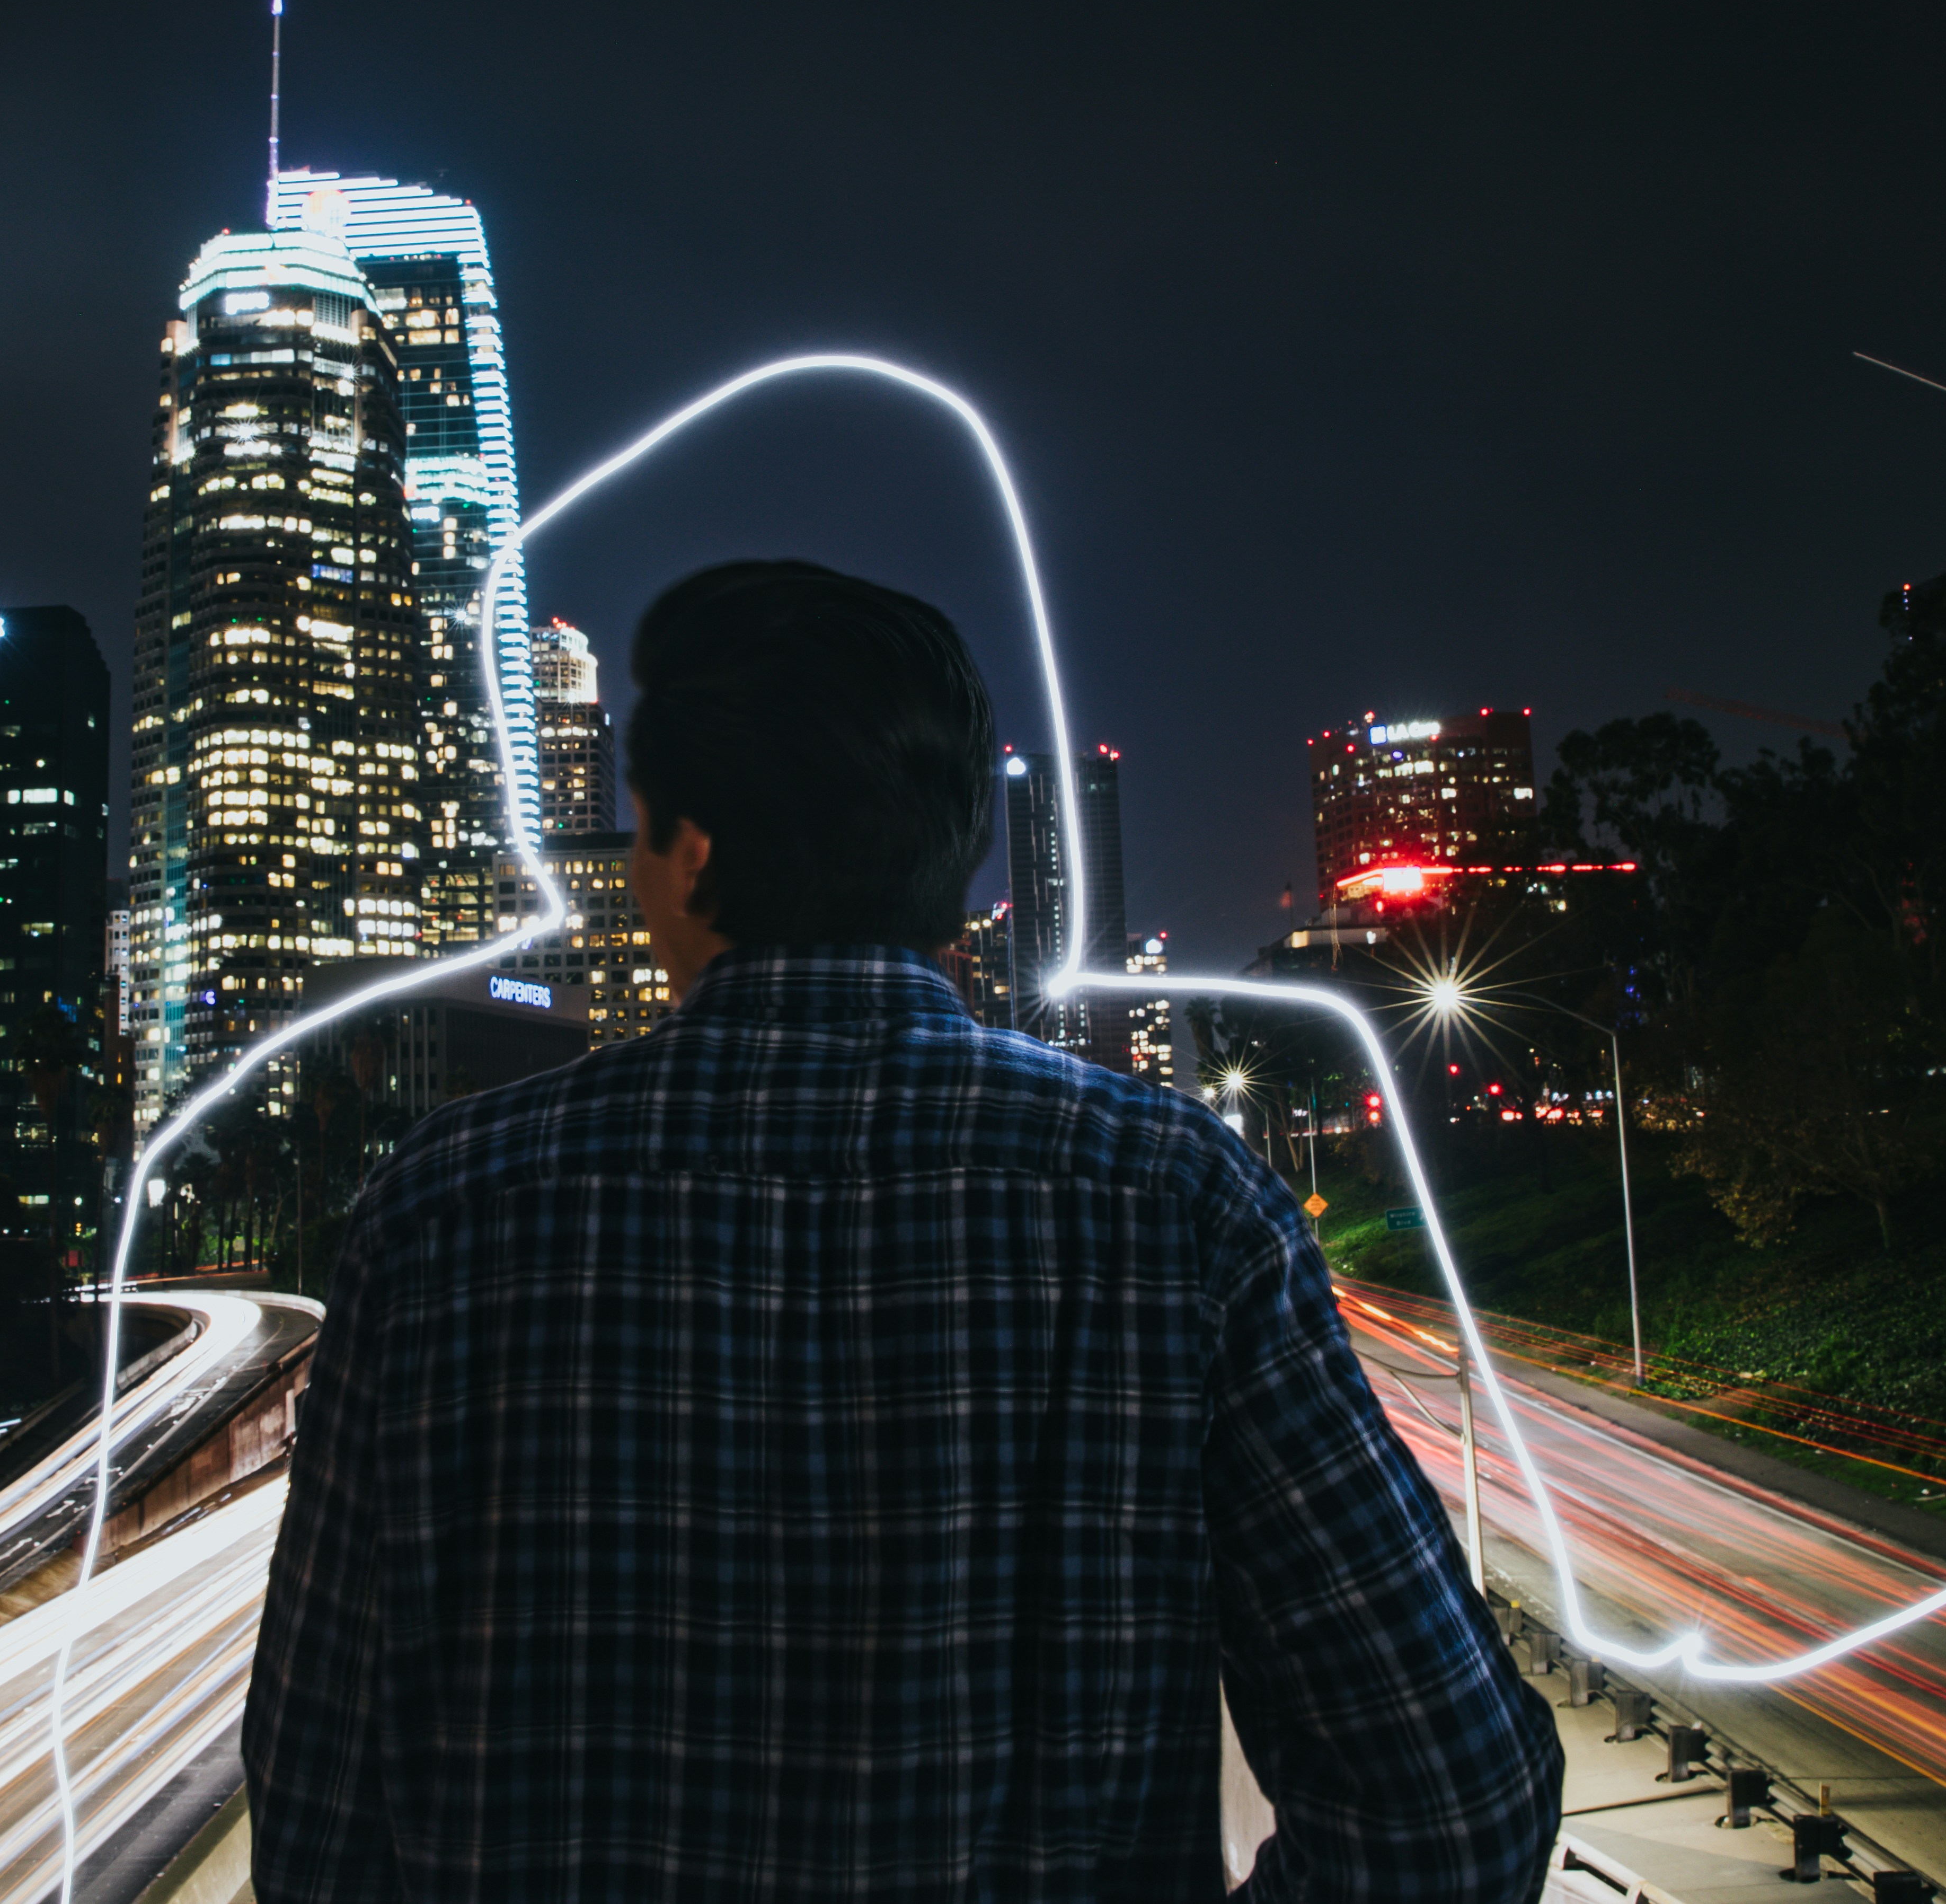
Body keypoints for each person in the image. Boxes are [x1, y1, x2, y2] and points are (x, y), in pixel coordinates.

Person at [242, 560, 1563, 1900]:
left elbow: (317, 1826)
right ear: (947, 854)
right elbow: (1451, 1805)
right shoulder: (1178, 1206)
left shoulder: (441, 1219)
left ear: (691, 853)